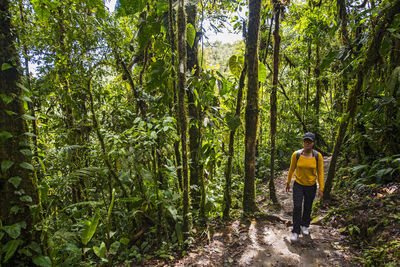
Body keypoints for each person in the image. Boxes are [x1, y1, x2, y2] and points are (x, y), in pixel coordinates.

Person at [285, 132, 324, 241]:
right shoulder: (296, 155)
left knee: (308, 206)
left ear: (313, 143)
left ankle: (305, 225)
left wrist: (321, 188)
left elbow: (320, 173)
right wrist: (288, 182)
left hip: (311, 186)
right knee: (297, 207)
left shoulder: (317, 156)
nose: (307, 143)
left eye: (310, 141)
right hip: (298, 185)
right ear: (303, 142)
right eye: (305, 141)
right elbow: (291, 169)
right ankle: (295, 231)